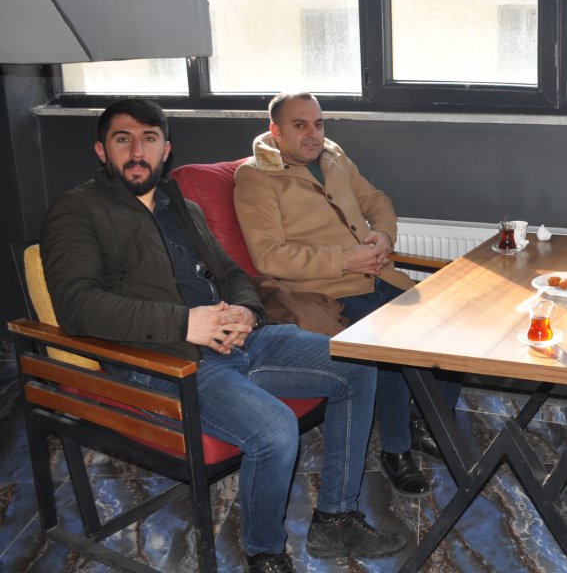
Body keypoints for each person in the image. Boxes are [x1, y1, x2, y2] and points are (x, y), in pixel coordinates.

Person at [40, 99, 406, 573]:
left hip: (240, 339)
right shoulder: (77, 210)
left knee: (357, 365)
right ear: (101, 150)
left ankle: (335, 519)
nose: (137, 151)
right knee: (274, 429)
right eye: (122, 140)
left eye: (149, 139)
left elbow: (231, 272)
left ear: (165, 149)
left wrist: (247, 311)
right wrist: (184, 322)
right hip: (168, 361)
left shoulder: (180, 206)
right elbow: (77, 307)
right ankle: (264, 553)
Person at [233, 92, 461, 498]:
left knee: (451, 321)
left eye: (318, 124)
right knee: (387, 344)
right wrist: (345, 260)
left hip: (379, 274)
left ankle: (425, 421)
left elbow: (376, 200)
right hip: (327, 291)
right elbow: (270, 256)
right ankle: (395, 449)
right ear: (275, 130)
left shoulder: (334, 155)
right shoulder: (255, 177)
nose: (313, 134)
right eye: (300, 125)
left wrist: (384, 235)